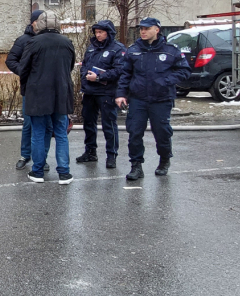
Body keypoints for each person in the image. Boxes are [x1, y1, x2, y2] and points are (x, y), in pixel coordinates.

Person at [116, 17, 191, 181]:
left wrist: (165, 81)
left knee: (162, 132)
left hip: (161, 99)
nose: (143, 31)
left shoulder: (170, 50)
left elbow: (184, 71)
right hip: (138, 98)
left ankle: (164, 159)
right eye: (141, 29)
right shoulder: (133, 50)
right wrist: (121, 94)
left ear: (157, 30)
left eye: (147, 28)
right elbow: (125, 74)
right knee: (135, 132)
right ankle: (136, 166)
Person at [18, 11, 76, 185]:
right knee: (61, 134)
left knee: (38, 133)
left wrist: (27, 86)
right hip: (61, 94)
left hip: (38, 94)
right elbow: (70, 66)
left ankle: (37, 172)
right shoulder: (67, 43)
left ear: (40, 24)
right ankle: (64, 173)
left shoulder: (33, 42)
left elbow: (24, 69)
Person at [76, 20, 126, 169]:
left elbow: (120, 70)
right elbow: (84, 65)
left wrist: (99, 77)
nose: (98, 35)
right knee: (88, 123)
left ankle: (111, 155)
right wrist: (85, 75)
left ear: (108, 33)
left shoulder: (117, 49)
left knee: (108, 124)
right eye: (96, 32)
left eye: (101, 32)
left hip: (106, 92)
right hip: (90, 91)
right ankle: (90, 151)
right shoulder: (92, 48)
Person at [6, 9, 50, 172]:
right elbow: (11, 60)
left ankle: (42, 158)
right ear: (33, 22)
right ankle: (25, 155)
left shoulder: (49, 39)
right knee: (29, 124)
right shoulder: (23, 40)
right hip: (30, 89)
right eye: (40, 20)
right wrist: (25, 73)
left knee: (47, 125)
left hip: (48, 90)